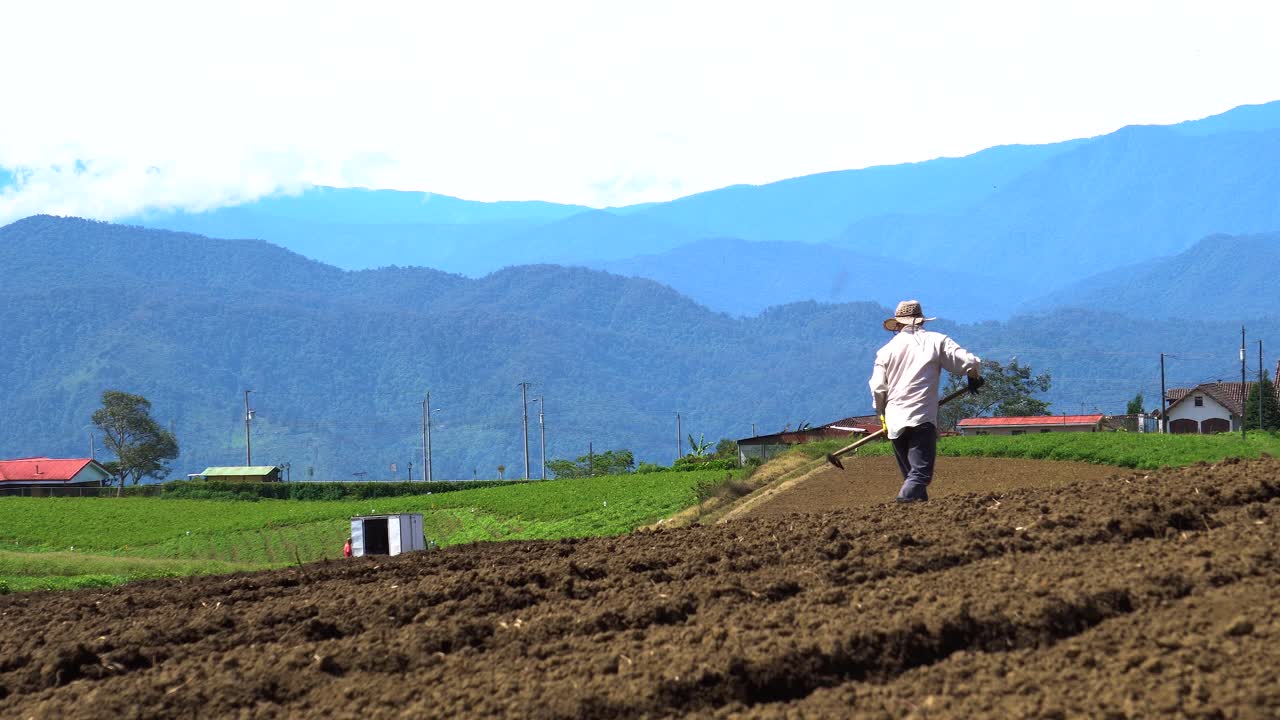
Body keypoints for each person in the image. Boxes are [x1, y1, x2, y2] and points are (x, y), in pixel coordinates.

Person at [869, 300, 982, 503]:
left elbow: (878, 388)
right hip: (921, 417)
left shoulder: (886, 351)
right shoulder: (936, 341)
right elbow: (970, 362)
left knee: (912, 478)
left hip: (895, 421)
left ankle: (914, 521)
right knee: (920, 474)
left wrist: (882, 415)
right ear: (921, 321)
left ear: (897, 325)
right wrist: (973, 377)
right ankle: (901, 503)